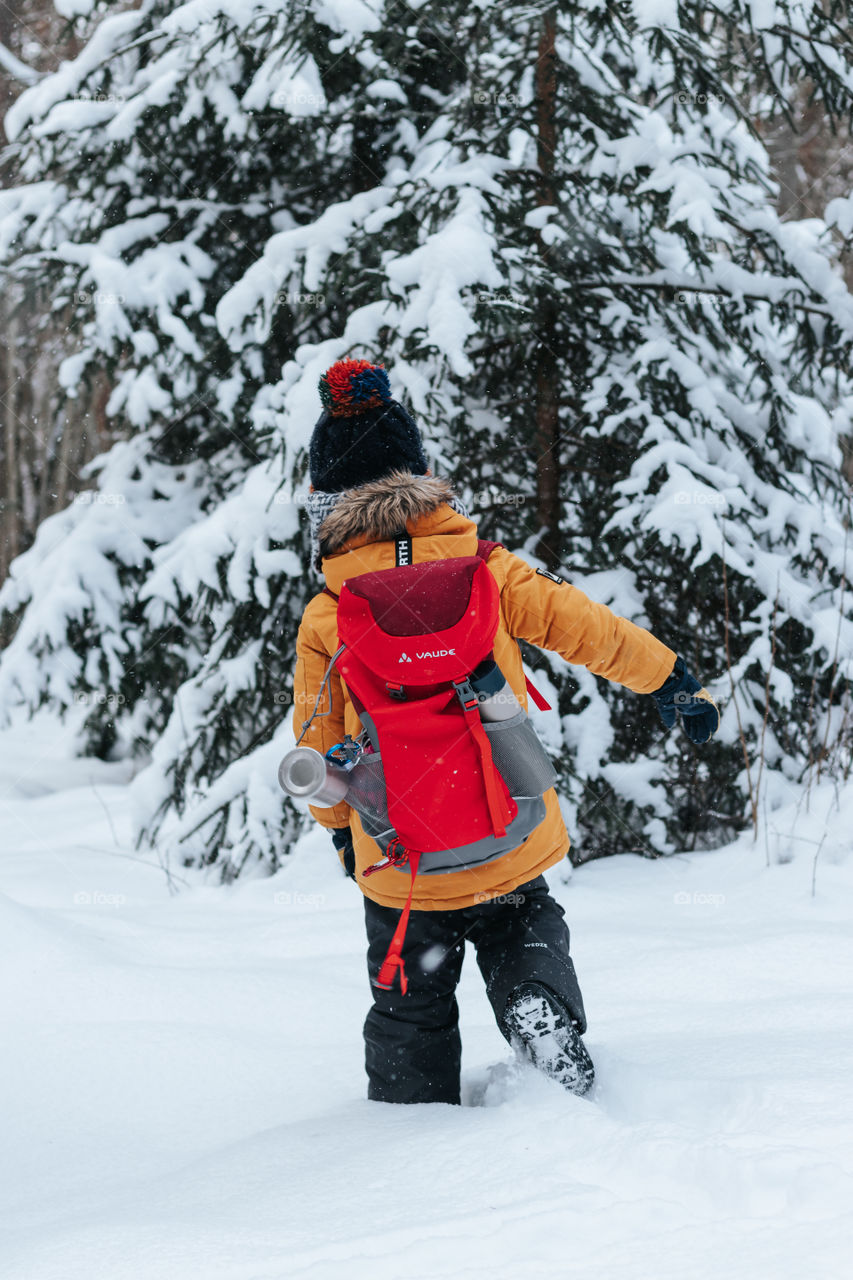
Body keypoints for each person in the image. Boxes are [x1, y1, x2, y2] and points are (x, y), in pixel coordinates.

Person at [291, 358, 719, 1106]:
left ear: (326, 500)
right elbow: (589, 629)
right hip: (507, 819)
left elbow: (314, 730)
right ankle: (535, 1003)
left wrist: (338, 826)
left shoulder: (328, 612)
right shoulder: (488, 573)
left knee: (407, 992)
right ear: (422, 478)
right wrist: (670, 679)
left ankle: (407, 1116)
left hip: (398, 848)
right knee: (522, 923)